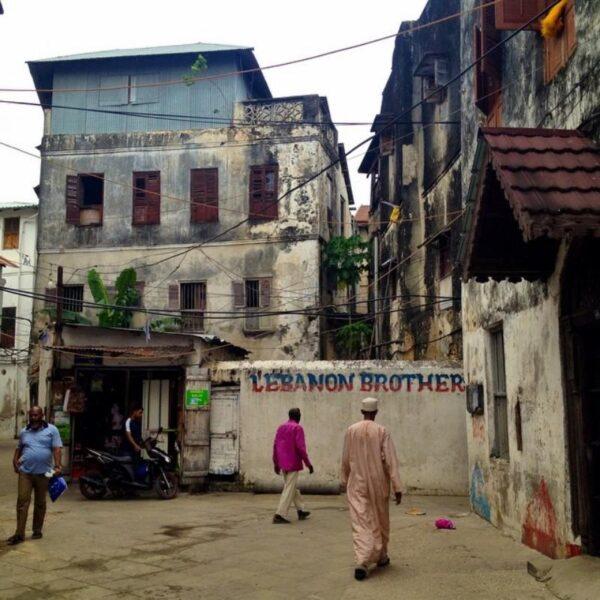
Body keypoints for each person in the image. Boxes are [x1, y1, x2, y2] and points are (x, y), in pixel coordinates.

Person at [341, 397, 403, 581]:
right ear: (376, 412)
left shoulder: (351, 431)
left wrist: (344, 480)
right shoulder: (382, 431)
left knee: (361, 521)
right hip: (378, 483)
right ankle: (374, 557)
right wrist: (397, 487)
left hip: (357, 483)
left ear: (362, 412)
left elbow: (345, 458)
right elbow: (391, 461)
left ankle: (368, 558)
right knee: (381, 519)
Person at [7, 406, 63, 545]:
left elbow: (56, 449)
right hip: (25, 472)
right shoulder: (24, 431)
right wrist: (15, 461)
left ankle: (37, 529)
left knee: (40, 503)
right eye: (31, 415)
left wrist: (57, 465)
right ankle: (19, 533)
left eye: (36, 415)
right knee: (22, 501)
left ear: (42, 415)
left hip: (45, 473)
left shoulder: (52, 430)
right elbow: (19, 448)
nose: (33, 418)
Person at [272, 407, 313, 524]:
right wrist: (308, 464)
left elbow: (275, 446)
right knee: (289, 488)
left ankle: (301, 510)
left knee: (291, 487)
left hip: (282, 463)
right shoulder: (297, 428)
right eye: (300, 415)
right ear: (298, 416)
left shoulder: (281, 427)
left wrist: (276, 463)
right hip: (293, 463)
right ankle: (280, 514)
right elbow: (301, 448)